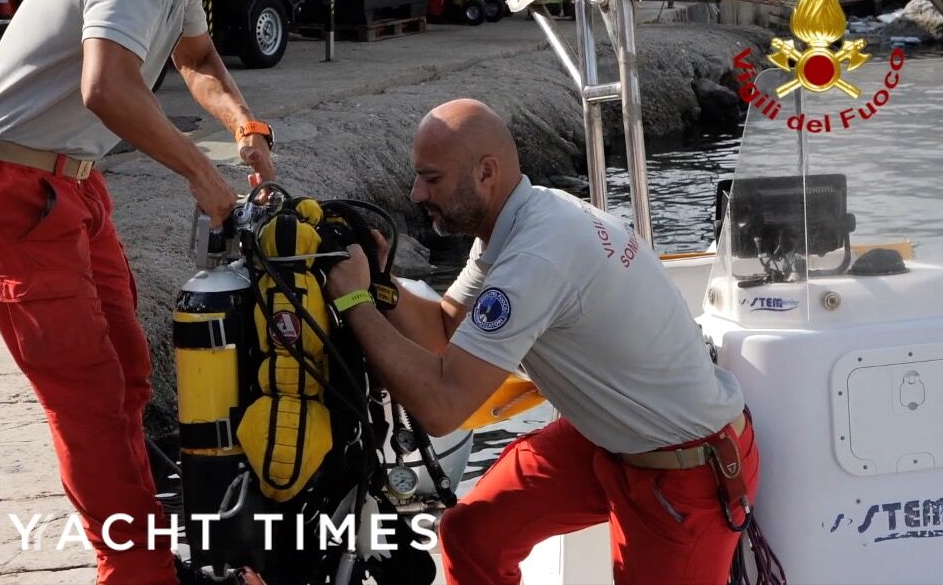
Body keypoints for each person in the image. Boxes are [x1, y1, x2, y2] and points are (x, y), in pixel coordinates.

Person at [0, 0, 301, 583]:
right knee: (87, 397)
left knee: (130, 373)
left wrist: (242, 125)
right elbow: (105, 86)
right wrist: (201, 173)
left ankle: (143, 547)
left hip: (71, 181)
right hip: (10, 188)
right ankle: (134, 571)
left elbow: (195, 58)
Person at [325, 99, 760, 585]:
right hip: (606, 439)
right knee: (473, 535)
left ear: (486, 173)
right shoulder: (515, 225)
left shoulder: (535, 256)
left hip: (683, 469)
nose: (416, 192)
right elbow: (446, 330)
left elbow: (443, 407)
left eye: (432, 178)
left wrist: (354, 302)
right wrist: (383, 286)